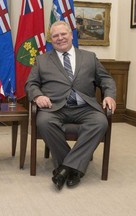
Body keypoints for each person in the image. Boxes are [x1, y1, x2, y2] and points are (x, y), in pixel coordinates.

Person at [25, 21, 116, 190]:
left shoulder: (89, 57)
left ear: (71, 35)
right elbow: (31, 84)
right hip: (55, 108)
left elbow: (106, 79)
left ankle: (65, 169)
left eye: (63, 34)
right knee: (43, 122)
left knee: (100, 122)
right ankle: (75, 168)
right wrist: (37, 95)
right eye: (55, 36)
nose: (60, 38)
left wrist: (109, 95)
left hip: (85, 107)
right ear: (51, 40)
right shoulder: (42, 60)